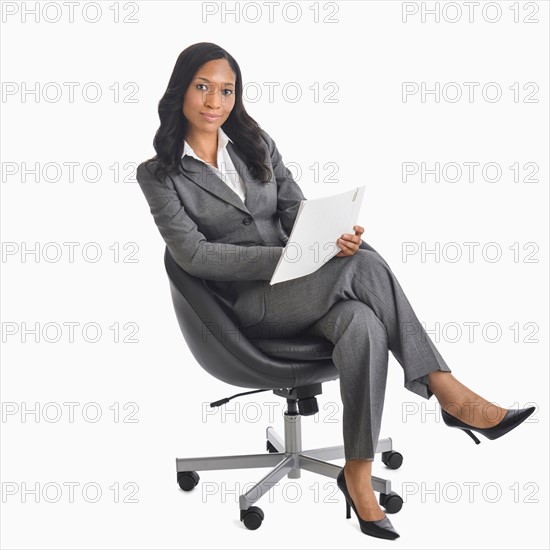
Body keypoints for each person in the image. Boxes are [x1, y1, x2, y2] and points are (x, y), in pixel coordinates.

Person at [135, 42, 535, 540]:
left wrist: (329, 237)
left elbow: (294, 210)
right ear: (180, 91)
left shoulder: (256, 145)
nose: (215, 100)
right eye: (203, 87)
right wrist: (287, 258)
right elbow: (195, 256)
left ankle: (359, 475)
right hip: (248, 309)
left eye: (227, 90)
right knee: (363, 268)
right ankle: (447, 391)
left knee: (364, 320)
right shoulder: (159, 174)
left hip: (308, 285)